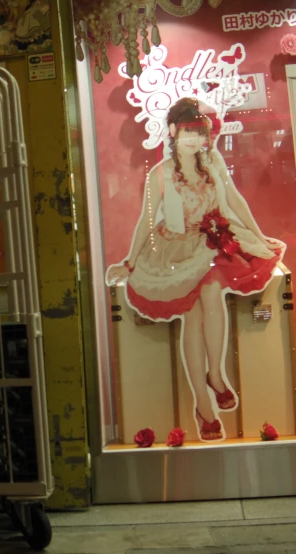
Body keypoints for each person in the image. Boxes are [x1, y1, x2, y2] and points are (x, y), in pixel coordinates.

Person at [106, 97, 284, 441]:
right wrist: (129, 261)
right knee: (193, 311)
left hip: (210, 241)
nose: (195, 140)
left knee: (212, 292)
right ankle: (204, 401)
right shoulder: (159, 174)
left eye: (200, 134)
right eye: (188, 132)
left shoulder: (213, 163)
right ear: (172, 132)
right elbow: (146, 219)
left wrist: (259, 235)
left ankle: (215, 375)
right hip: (174, 248)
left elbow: (233, 199)